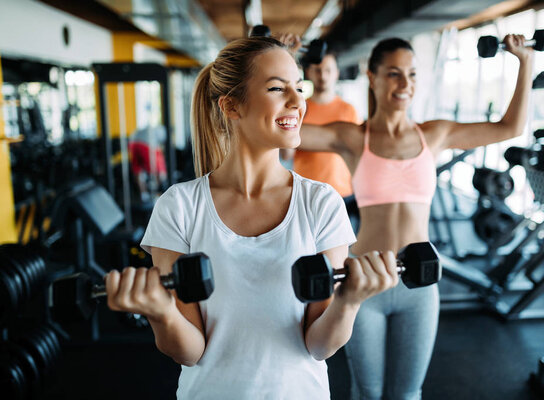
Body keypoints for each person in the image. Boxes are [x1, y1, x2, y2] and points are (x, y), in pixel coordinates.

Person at [102, 36, 400, 399]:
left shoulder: (321, 203)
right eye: (277, 88)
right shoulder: (179, 207)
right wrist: (161, 313)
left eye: (298, 86)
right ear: (231, 106)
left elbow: (319, 345)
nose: (297, 101)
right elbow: (190, 351)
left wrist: (349, 302)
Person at [293, 35, 533, 399]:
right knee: (367, 392)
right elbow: (279, 130)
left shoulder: (435, 134)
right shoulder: (353, 137)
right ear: (371, 77)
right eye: (393, 74)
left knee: (408, 394)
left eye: (412, 74)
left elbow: (509, 128)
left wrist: (525, 62)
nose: (405, 84)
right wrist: (278, 63)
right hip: (365, 280)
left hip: (420, 287)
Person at [281, 52, 361, 199]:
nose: (323, 76)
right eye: (318, 70)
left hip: (342, 194)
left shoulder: (349, 110)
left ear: (336, 73)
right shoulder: (298, 108)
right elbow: (286, 155)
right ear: (309, 72)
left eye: (328, 70)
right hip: (306, 192)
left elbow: (357, 153)